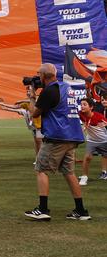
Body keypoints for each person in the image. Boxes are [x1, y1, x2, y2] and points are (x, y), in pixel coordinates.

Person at [24, 63, 89, 221]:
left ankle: (43, 209)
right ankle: (81, 210)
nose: (37, 78)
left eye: (39, 75)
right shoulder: (66, 87)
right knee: (69, 172)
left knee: (41, 169)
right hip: (72, 136)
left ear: (44, 76)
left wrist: (32, 98)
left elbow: (35, 113)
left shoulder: (49, 91)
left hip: (57, 137)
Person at [78, 99, 107, 185]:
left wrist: (106, 124)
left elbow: (105, 122)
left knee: (105, 156)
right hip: (91, 140)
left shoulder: (98, 116)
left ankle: (104, 172)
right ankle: (84, 177)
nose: (82, 106)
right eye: (81, 104)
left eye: (85, 104)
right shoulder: (80, 114)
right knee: (87, 157)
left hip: (104, 140)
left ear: (91, 107)